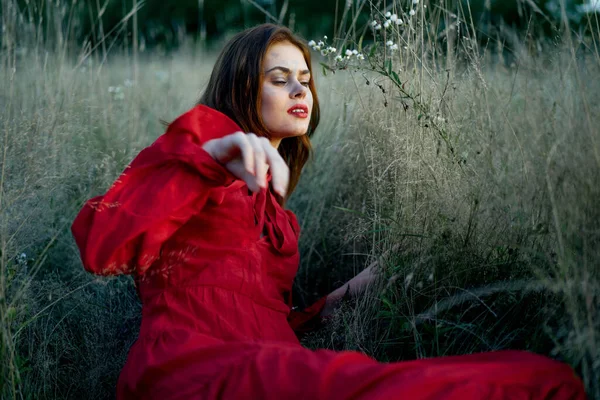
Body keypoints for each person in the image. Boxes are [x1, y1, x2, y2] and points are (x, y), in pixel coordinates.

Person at [72, 23, 586, 399]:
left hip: (274, 365)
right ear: (240, 86)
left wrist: (346, 296)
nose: (301, 90)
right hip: (192, 369)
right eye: (280, 79)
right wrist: (206, 161)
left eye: (305, 78)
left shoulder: (276, 206)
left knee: (537, 376)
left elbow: (260, 315)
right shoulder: (194, 144)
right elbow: (102, 245)